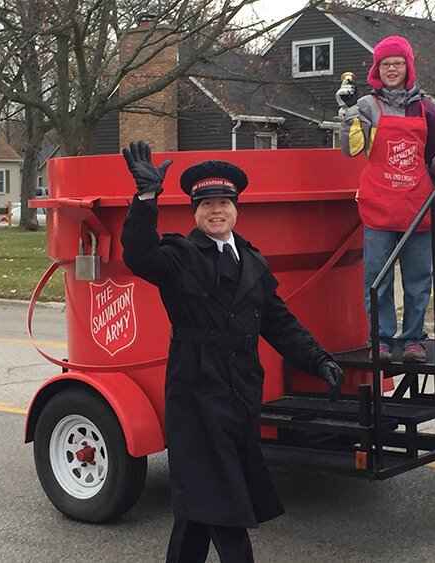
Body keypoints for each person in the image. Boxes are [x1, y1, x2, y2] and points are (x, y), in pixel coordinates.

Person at [119, 140, 344, 563]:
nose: (216, 211)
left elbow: (279, 322)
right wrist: (146, 198)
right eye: (206, 204)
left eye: (223, 202)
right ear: (195, 212)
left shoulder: (255, 263)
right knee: (223, 499)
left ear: (237, 208)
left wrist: (318, 359)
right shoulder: (179, 255)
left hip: (241, 393)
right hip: (197, 393)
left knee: (199, 501)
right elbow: (139, 254)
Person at [337, 35, 435, 363]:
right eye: (385, 64)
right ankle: (379, 339)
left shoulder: (426, 108)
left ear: (408, 67)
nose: (391, 69)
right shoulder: (366, 106)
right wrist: (348, 114)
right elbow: (351, 149)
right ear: (376, 69)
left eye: (398, 63)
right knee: (377, 277)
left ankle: (413, 339)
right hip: (378, 205)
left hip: (418, 207)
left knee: (419, 278)